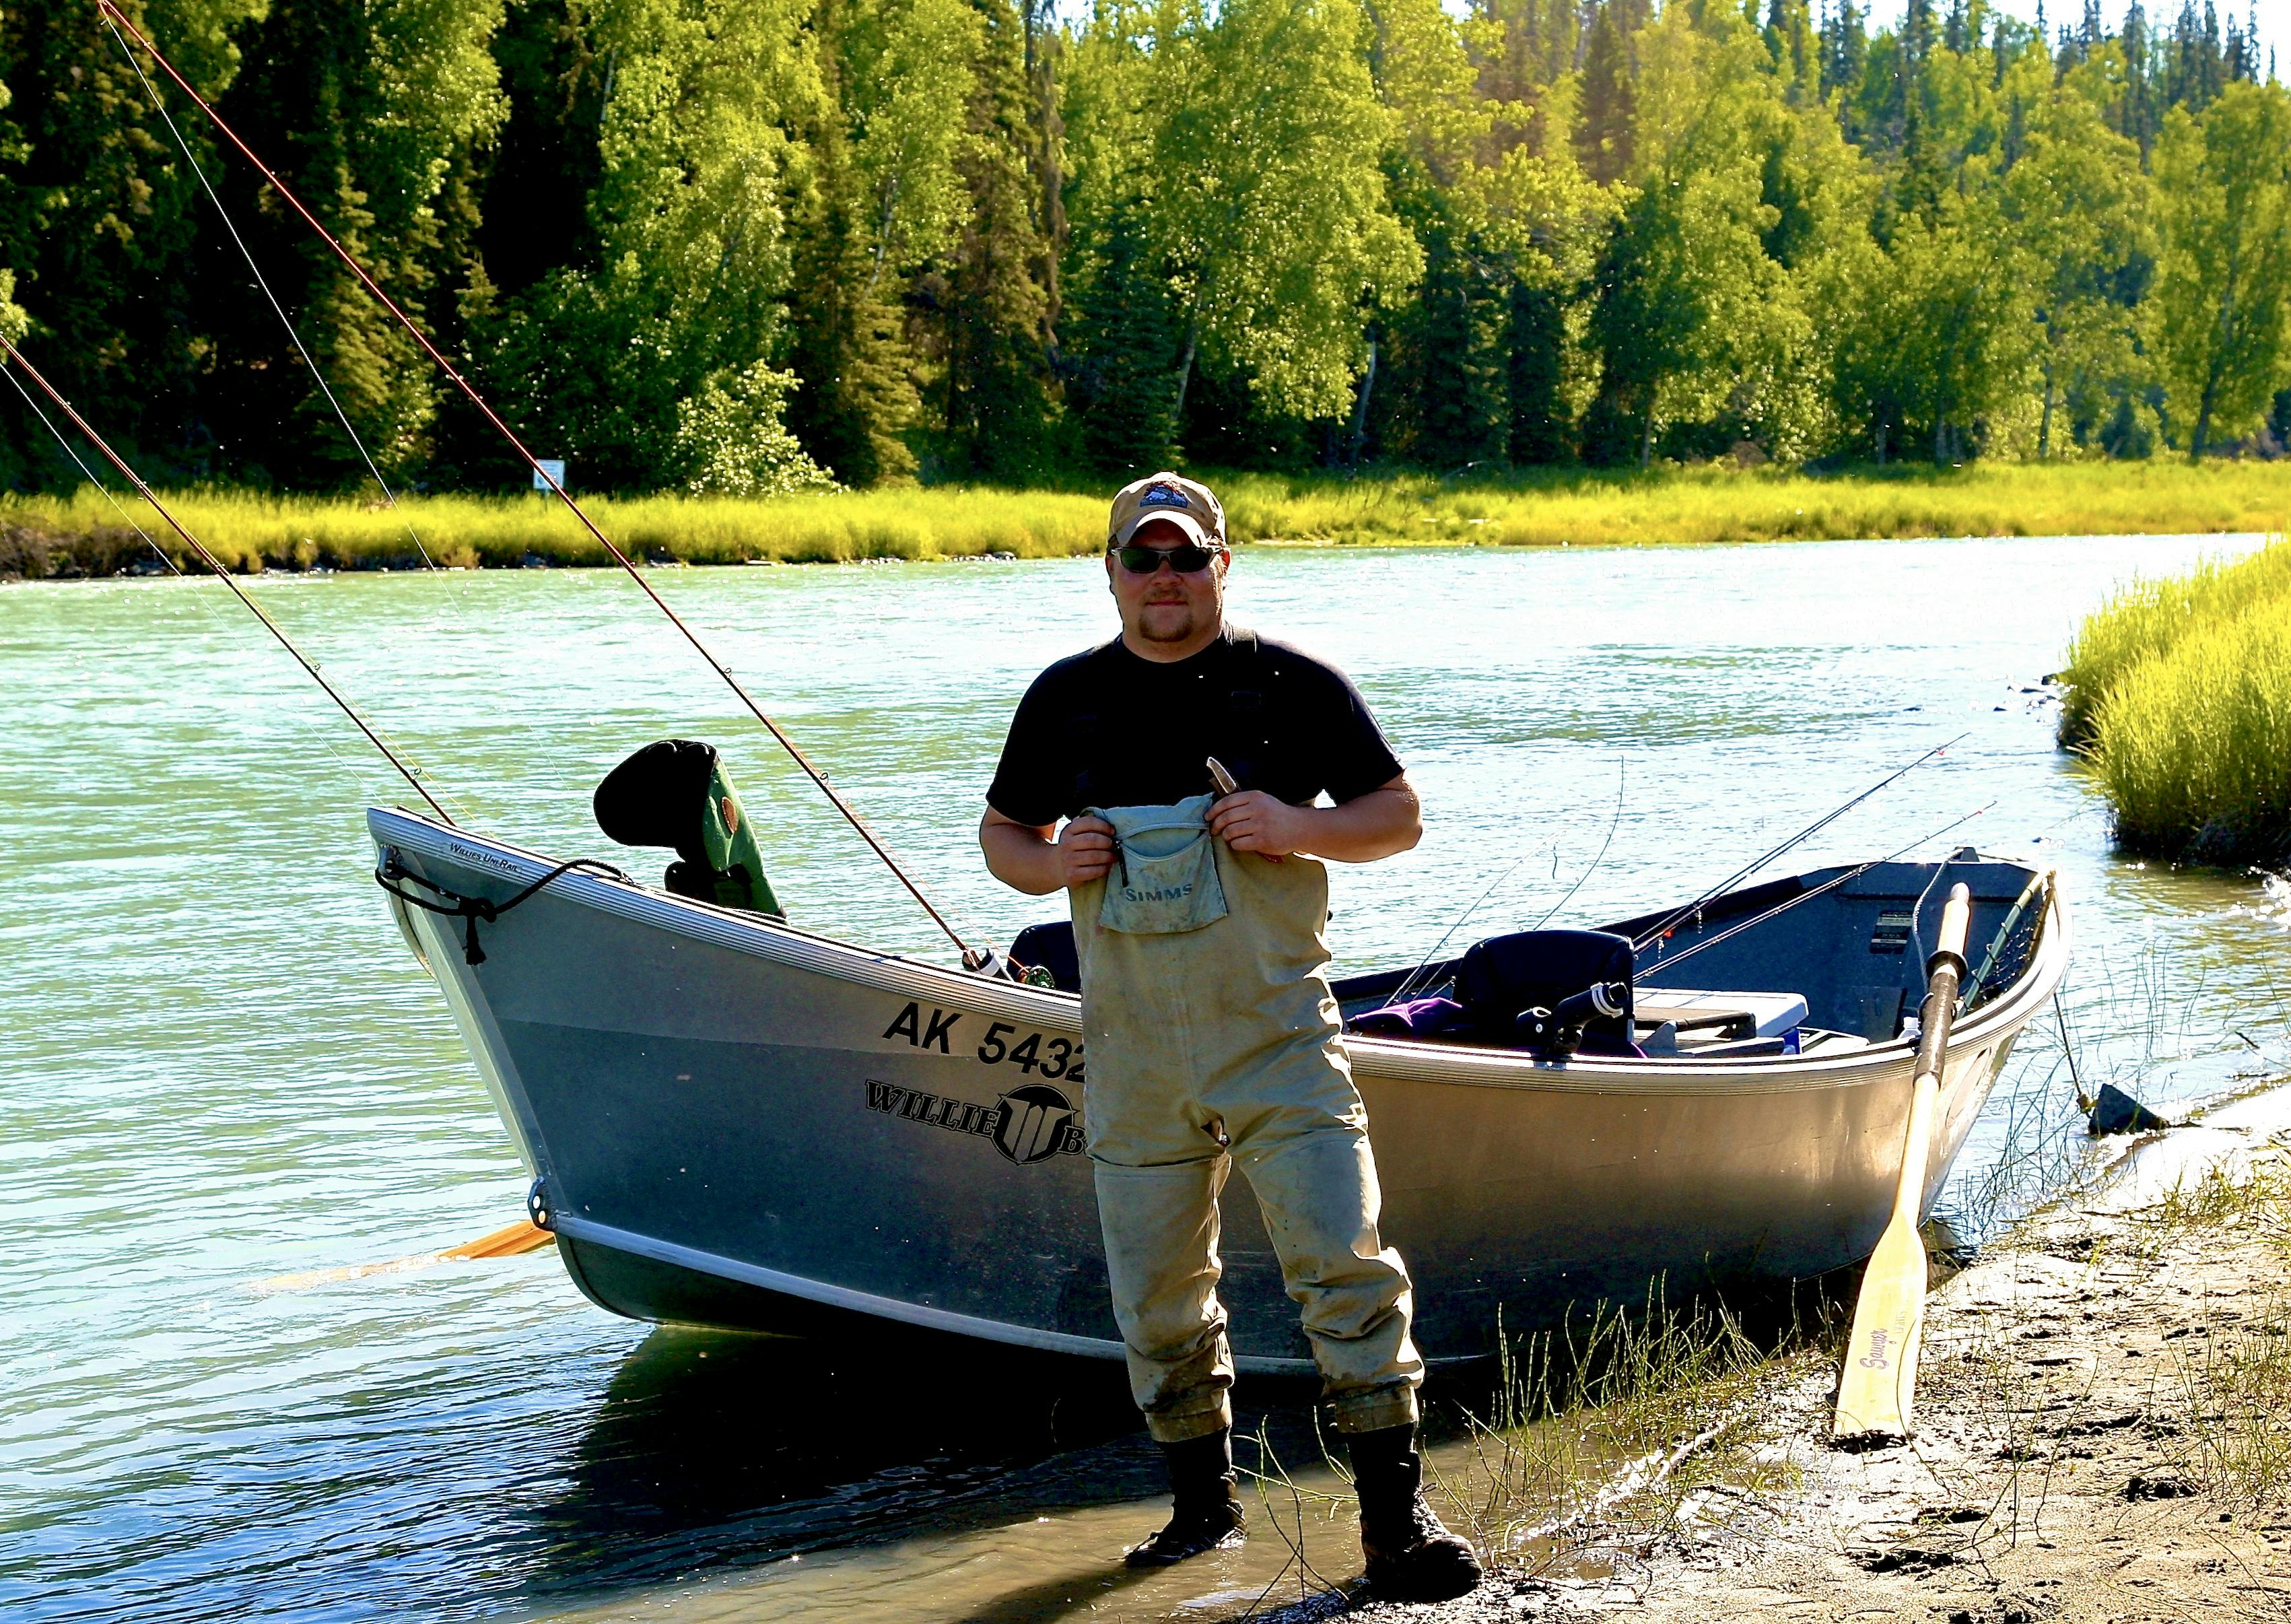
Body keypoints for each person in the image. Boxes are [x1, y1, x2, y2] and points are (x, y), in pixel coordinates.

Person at [978, 472, 1482, 1602]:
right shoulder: (1065, 698)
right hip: (1132, 1056)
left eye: (1186, 558)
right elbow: (1005, 832)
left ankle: (1397, 1528)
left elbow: (1396, 818)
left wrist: (1298, 825)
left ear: (1221, 564)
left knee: (1344, 1269)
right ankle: (1200, 1515)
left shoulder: (1292, 683)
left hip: (1278, 1041)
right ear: (1109, 570)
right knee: (1156, 1296)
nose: (1165, 579)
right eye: (1142, 559)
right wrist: (1052, 863)